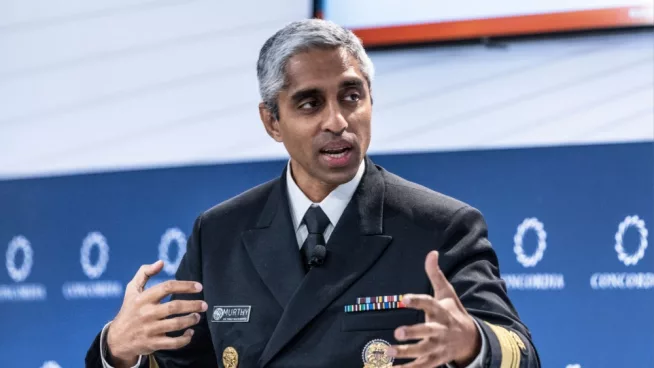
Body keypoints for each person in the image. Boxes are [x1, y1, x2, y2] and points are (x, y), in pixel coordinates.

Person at [85, 18, 540, 368]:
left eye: (350, 96)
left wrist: (473, 343)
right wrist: (118, 349)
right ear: (272, 122)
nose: (337, 121)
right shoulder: (219, 233)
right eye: (310, 103)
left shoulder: (440, 227)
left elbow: (522, 353)